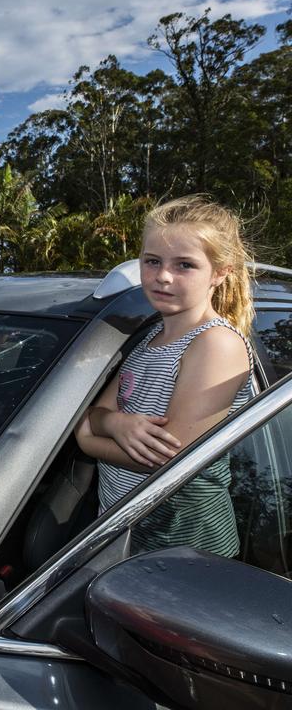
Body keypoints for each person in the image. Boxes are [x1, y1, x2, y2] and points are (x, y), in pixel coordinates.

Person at [75, 195, 254, 556]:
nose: (163, 276)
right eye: (152, 261)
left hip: (183, 545)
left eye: (184, 264)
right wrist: (117, 426)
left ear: (220, 272)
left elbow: (165, 462)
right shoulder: (147, 341)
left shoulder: (215, 344)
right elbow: (96, 415)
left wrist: (88, 438)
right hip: (121, 526)